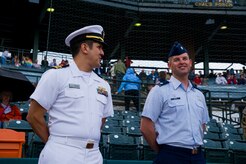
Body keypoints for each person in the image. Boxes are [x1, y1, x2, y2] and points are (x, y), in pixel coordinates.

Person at [26, 25, 114, 164]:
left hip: (94, 155)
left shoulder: (104, 85)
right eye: (99, 47)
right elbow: (33, 116)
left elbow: (101, 120)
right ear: (85, 48)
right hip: (61, 153)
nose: (102, 53)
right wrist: (54, 143)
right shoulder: (56, 75)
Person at [140, 41, 209, 164]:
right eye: (177, 59)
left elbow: (202, 126)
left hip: (198, 156)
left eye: (185, 58)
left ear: (190, 63)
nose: (182, 62)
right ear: (169, 65)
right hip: (171, 156)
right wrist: (162, 151)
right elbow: (145, 126)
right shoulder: (159, 91)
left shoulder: (199, 95)